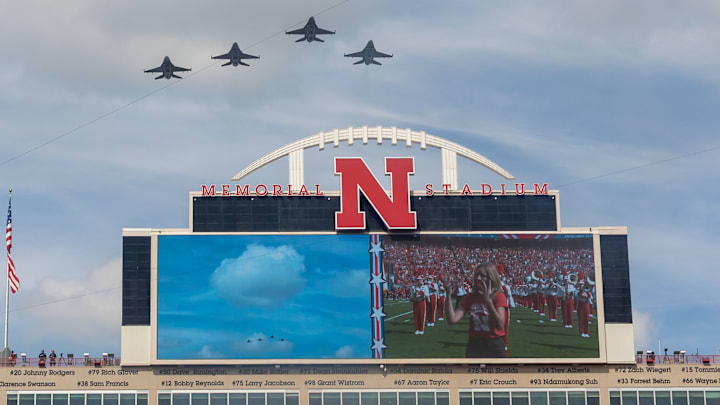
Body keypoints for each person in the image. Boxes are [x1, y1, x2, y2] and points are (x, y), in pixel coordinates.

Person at [442, 263, 508, 358]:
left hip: (494, 343)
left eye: (482, 275)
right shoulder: (470, 297)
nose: (478, 278)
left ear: (491, 278)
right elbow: (452, 320)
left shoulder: (498, 296)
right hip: (474, 343)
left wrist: (488, 302)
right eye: (476, 275)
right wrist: (448, 295)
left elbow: (500, 325)